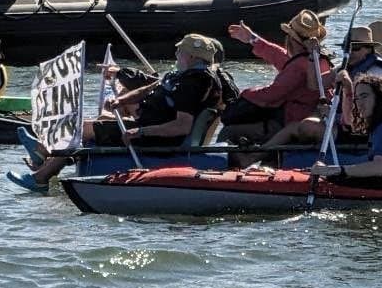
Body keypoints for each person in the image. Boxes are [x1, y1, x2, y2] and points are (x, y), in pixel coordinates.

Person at [15, 33, 228, 187]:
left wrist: (141, 132)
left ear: (191, 57)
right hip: (147, 124)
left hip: (156, 137)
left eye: (180, 51)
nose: (176, 54)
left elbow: (181, 126)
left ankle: (41, 172)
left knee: (80, 129)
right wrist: (122, 100)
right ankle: (44, 156)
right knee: (91, 124)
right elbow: (150, 88)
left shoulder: (195, 83)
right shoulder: (181, 76)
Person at [223, 11, 331, 146]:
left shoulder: (299, 66)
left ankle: (219, 163)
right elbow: (281, 57)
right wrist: (252, 38)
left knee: (228, 131)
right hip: (302, 118)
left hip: (292, 121)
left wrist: (243, 95)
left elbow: (271, 95)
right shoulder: (315, 59)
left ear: (291, 39)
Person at [310, 75, 382, 181]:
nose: (359, 103)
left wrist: (336, 170)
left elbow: (377, 168)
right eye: (357, 98)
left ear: (380, 96)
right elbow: (351, 124)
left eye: (364, 96)